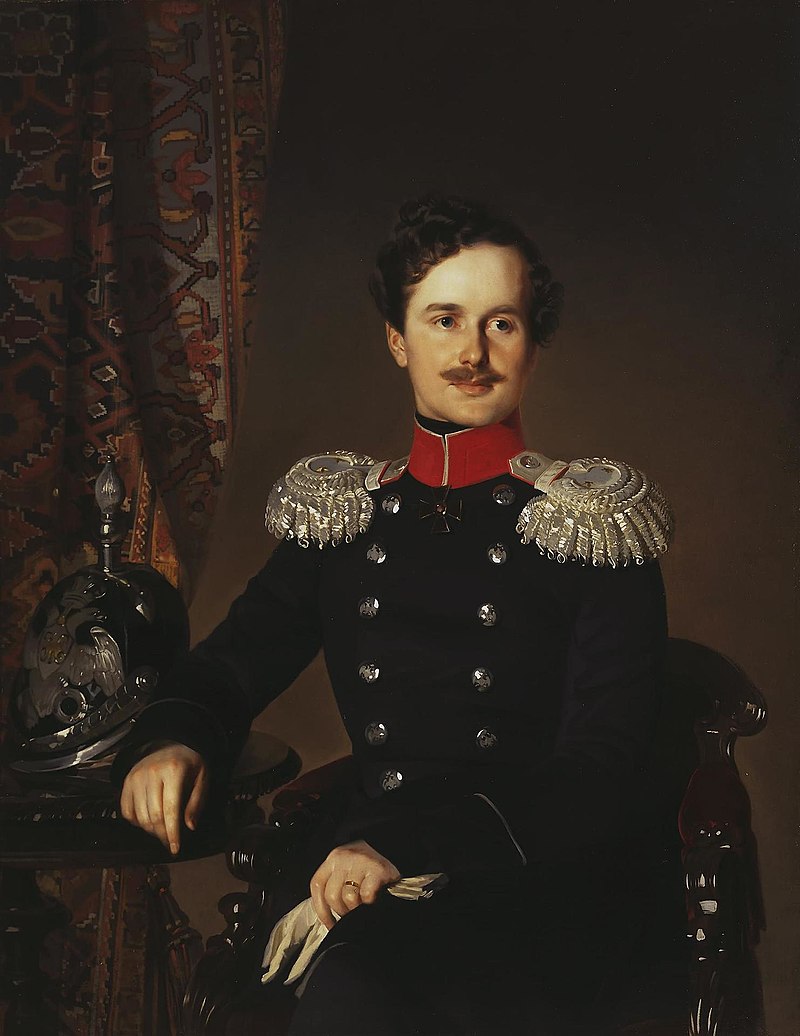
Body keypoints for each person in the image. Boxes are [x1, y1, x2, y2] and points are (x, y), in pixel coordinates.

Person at [115, 194, 673, 1034]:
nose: (473, 353)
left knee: (366, 995)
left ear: (533, 345)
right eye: (445, 320)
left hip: (535, 879)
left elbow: (603, 768)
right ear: (397, 339)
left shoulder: (593, 526)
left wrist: (411, 850)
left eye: (502, 324)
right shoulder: (350, 518)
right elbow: (232, 663)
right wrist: (174, 736)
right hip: (366, 867)